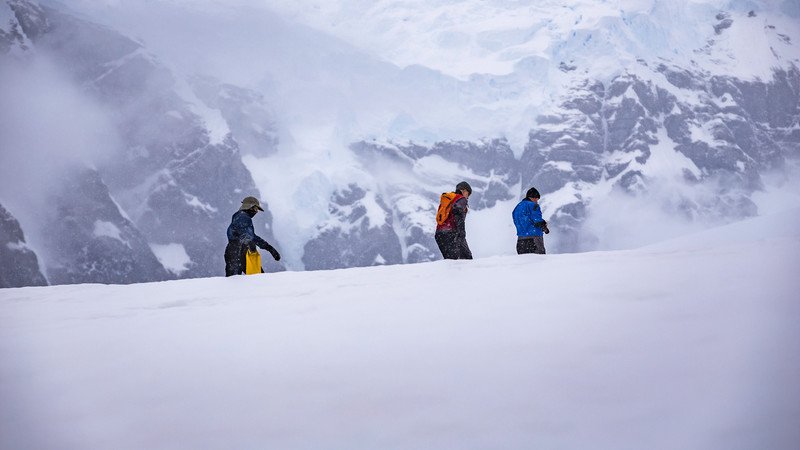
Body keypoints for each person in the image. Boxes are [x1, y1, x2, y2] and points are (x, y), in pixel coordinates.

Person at [225, 196, 281, 276]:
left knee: (236, 280)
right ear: (249, 207)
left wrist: (268, 248)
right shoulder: (243, 217)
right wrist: (251, 244)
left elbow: (251, 236)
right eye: (255, 209)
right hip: (237, 252)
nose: (256, 212)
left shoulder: (239, 216)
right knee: (256, 279)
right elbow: (246, 236)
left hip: (238, 251)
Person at [435, 181, 473, 260]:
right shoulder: (460, 199)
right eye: (468, 194)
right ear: (463, 190)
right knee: (467, 259)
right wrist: (462, 233)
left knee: (451, 261)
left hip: (439, 235)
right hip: (452, 233)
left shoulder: (449, 200)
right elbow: (458, 213)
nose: (468, 197)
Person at [512, 187, 549, 255]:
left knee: (525, 264)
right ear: (533, 197)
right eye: (537, 199)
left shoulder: (517, 207)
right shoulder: (533, 205)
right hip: (534, 239)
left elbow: (525, 219)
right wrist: (544, 226)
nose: (537, 201)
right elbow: (537, 220)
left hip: (521, 240)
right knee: (539, 262)